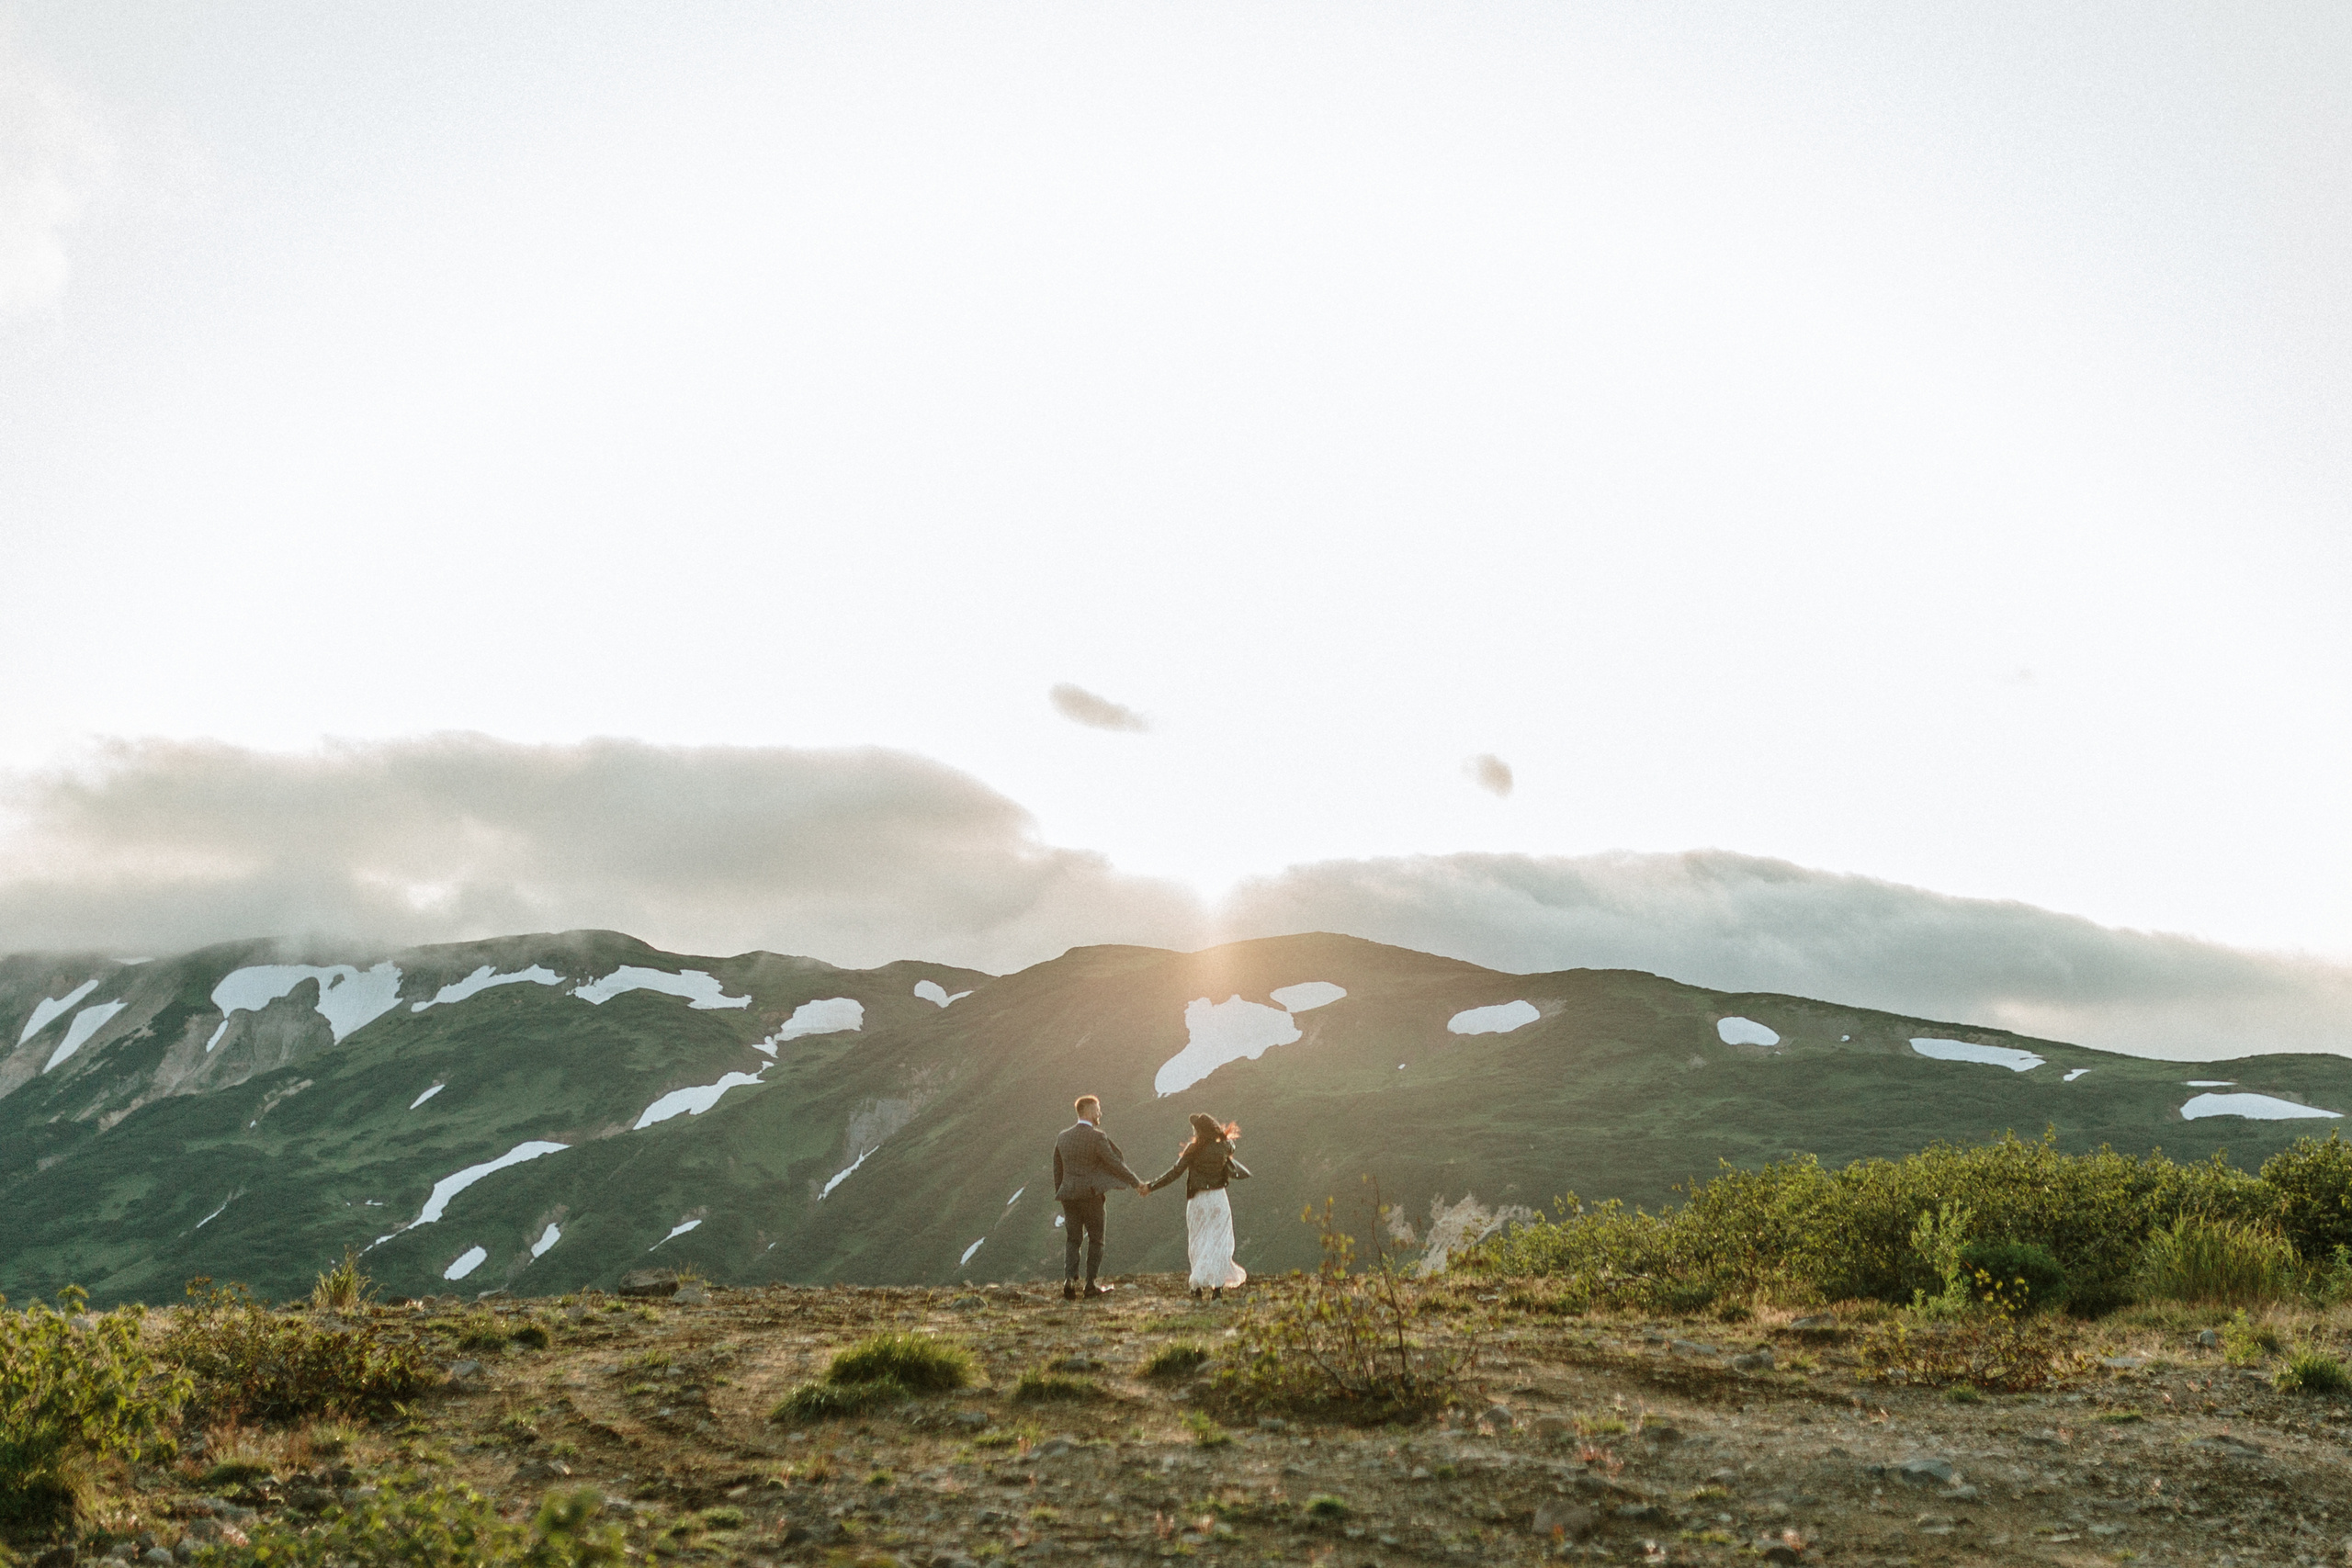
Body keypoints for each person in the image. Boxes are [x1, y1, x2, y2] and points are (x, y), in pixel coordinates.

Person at [1145, 1112, 1252, 1300]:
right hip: (1219, 1198)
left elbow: (1174, 1172)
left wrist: (1150, 1186)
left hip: (1198, 1200)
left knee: (1197, 1241)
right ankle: (1217, 1289)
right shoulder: (1225, 1146)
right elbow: (1231, 1146)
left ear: (1199, 1131)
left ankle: (1196, 1287)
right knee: (1219, 1242)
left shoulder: (1193, 1149)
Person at [1053, 1094, 1147, 1301]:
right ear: (1087, 1111)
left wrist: (1061, 1192)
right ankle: (1090, 1285)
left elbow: (1057, 1169)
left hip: (1068, 1195)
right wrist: (1136, 1183)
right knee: (1096, 1239)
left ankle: (1069, 1280)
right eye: (1097, 1110)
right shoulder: (1097, 1137)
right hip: (1091, 1195)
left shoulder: (1063, 1137)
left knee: (1073, 1239)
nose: (1100, 1113)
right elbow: (1114, 1163)